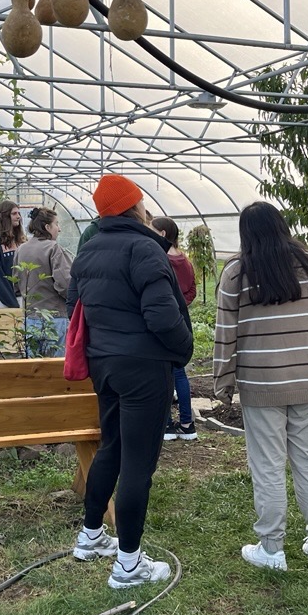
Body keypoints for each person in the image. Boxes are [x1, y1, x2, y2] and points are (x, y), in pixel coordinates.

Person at [68, 174, 193, 589]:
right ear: (134, 207)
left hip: (104, 364)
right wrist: (183, 349)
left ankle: (90, 536)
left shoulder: (87, 251)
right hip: (143, 367)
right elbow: (161, 315)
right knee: (139, 464)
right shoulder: (144, 247)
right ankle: (128, 565)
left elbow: (76, 307)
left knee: (112, 447)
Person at [214, 201, 308, 572]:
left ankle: (272, 549)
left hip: (262, 381)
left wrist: (222, 379)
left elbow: (226, 333)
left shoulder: (238, 271)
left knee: (268, 466)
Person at [150, 216, 199, 441]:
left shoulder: (159, 260)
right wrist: (180, 307)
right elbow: (191, 291)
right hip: (181, 321)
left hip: (163, 321)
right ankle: (187, 423)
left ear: (162, 234)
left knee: (165, 373)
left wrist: (167, 307)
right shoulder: (184, 260)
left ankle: (168, 424)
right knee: (180, 371)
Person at [13, 207, 73, 356]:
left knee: (33, 369)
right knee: (55, 369)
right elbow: (66, 285)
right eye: (57, 224)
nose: (59, 229)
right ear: (47, 227)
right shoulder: (54, 249)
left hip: (29, 318)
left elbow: (16, 282)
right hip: (54, 318)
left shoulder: (21, 249)